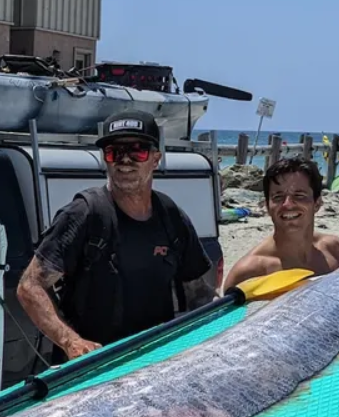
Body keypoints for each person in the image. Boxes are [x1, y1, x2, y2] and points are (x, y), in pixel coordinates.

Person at [15, 110, 216, 363]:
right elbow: (30, 286)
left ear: (156, 159)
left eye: (137, 151)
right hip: (92, 368)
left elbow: (199, 295)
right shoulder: (84, 214)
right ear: (105, 159)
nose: (125, 160)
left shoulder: (171, 217)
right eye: (114, 152)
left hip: (154, 361)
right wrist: (71, 341)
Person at [222, 156, 339, 291]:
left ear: (317, 204)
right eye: (278, 197)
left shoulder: (334, 249)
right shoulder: (249, 271)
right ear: (267, 206)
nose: (287, 204)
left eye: (299, 195)